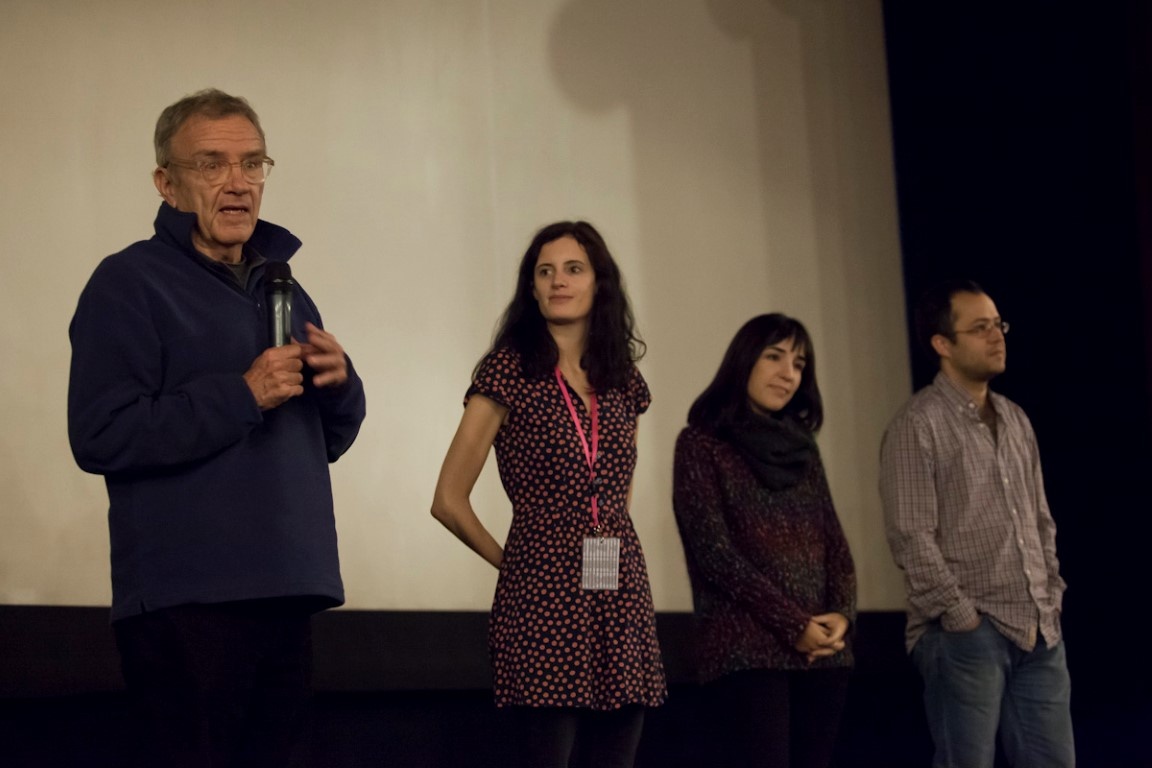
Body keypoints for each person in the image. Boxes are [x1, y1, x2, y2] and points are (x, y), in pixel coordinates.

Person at [67, 88, 367, 768]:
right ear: (166, 184)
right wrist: (241, 395)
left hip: (287, 588)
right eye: (212, 164)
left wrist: (343, 385)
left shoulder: (284, 284)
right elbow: (101, 433)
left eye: (253, 163)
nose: (238, 182)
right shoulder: (128, 284)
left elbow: (324, 440)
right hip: (186, 603)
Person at [431, 221, 666, 768]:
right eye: (545, 271)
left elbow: (613, 489)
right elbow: (448, 498)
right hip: (541, 599)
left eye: (573, 268)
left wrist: (600, 544)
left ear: (599, 283)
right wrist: (512, 563)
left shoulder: (623, 380)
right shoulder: (509, 370)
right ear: (531, 289)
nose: (558, 280)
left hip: (619, 590)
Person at [880, 279, 1073, 768]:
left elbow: (1041, 519)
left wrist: (1050, 591)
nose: (996, 336)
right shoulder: (918, 423)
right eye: (980, 327)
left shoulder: (1015, 418)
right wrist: (961, 616)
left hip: (1038, 627)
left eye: (998, 325)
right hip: (966, 634)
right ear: (943, 344)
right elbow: (910, 534)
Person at [672, 313, 856, 768]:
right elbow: (715, 554)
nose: (788, 373)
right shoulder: (701, 445)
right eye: (774, 357)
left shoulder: (803, 447)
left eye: (799, 363)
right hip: (745, 655)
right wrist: (794, 625)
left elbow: (834, 541)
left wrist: (842, 615)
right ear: (743, 362)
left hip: (821, 656)